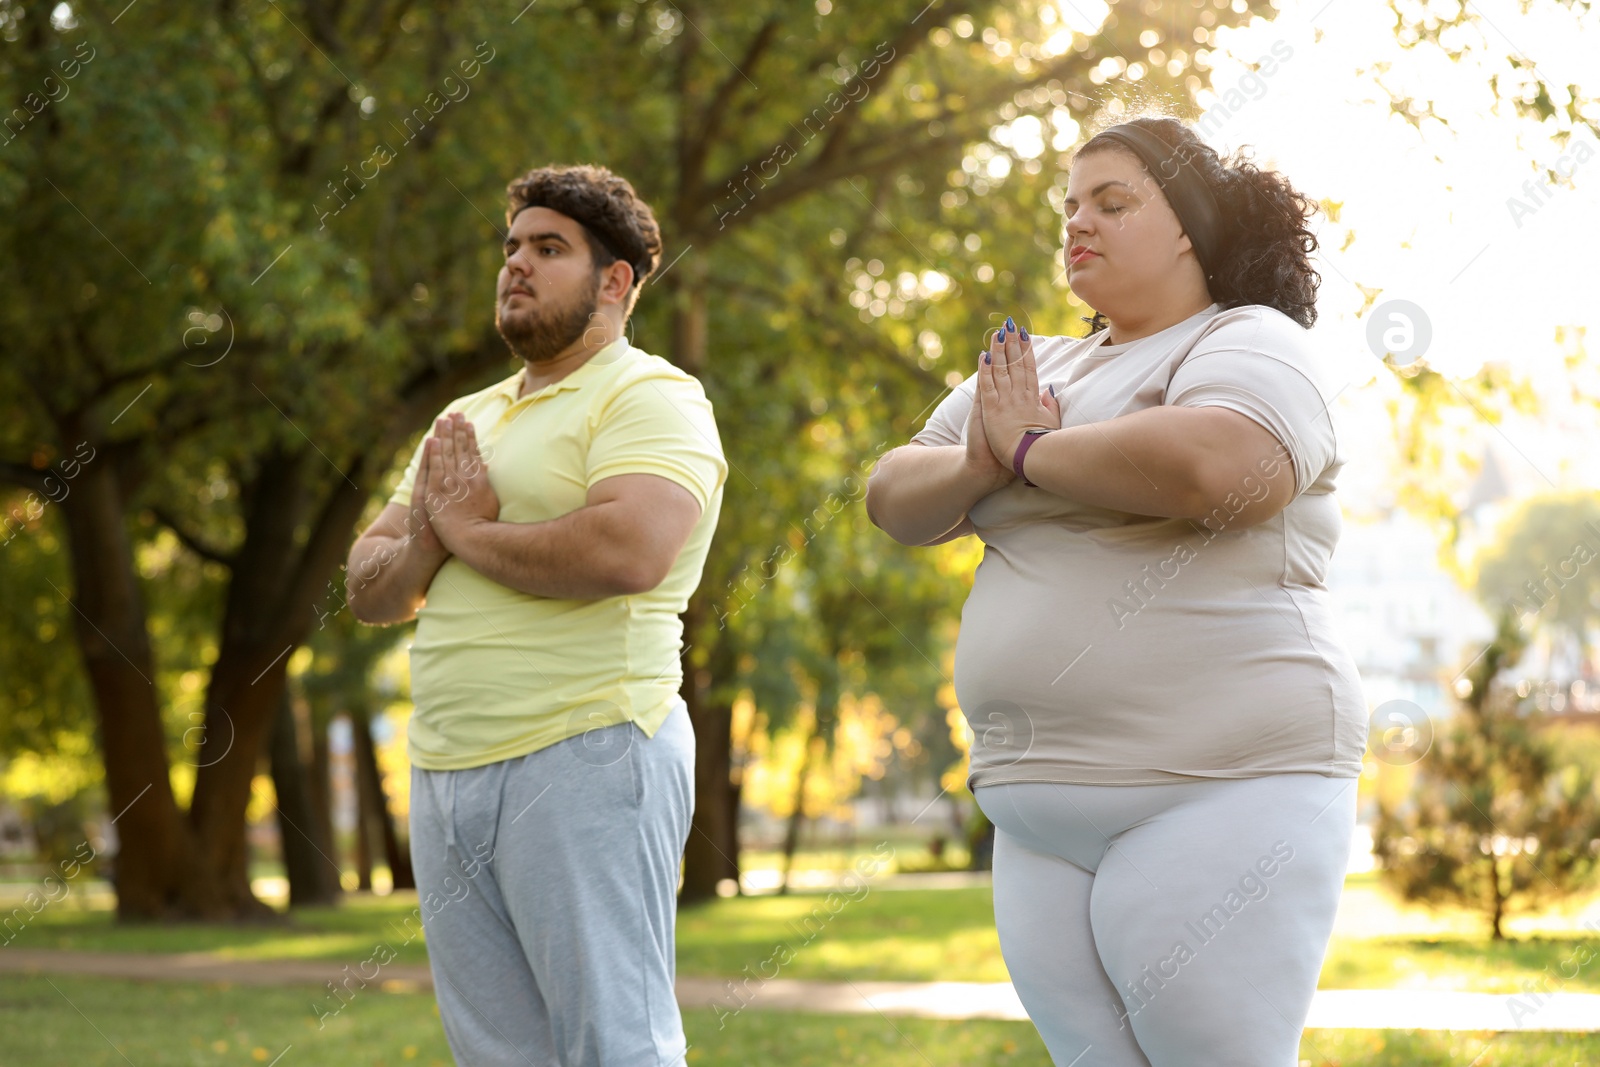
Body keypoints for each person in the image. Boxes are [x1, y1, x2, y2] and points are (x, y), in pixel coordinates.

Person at [864, 115, 1367, 1066]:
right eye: (1069, 206)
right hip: (1038, 810)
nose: (1077, 223)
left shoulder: (1248, 339)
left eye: (1112, 200)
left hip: (1219, 786)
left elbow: (1225, 470)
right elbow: (894, 496)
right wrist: (988, 453)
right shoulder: (1031, 368)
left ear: (1190, 224)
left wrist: (1025, 451)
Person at [346, 163, 727, 1067]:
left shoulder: (651, 396)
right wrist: (434, 542)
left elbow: (627, 550)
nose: (516, 263)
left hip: (589, 750)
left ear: (615, 280)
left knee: (614, 1045)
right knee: (497, 1055)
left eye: (548, 248)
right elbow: (371, 585)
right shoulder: (463, 418)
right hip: (446, 768)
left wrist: (462, 532)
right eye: (512, 246)